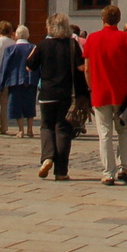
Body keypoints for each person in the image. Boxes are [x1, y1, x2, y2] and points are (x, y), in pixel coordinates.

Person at [81, 4, 127, 185]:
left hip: (100, 92)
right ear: (119, 19)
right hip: (121, 92)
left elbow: (87, 68)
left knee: (104, 133)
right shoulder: (125, 38)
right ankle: (125, 167)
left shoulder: (92, 38)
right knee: (124, 131)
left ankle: (108, 172)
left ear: (102, 19)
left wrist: (91, 88)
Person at [28, 12, 80, 180]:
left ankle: (47, 157)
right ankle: (61, 172)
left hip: (47, 93)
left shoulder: (43, 45)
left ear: (50, 27)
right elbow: (81, 68)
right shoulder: (72, 44)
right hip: (66, 94)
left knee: (46, 127)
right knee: (63, 130)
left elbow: (30, 66)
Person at [0, 26, 37, 138]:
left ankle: (21, 130)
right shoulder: (34, 48)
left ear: (16, 35)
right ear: (28, 35)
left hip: (15, 80)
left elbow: (4, 67)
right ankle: (30, 129)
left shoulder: (10, 49)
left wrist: (1, 83)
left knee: (16, 105)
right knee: (30, 104)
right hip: (31, 80)